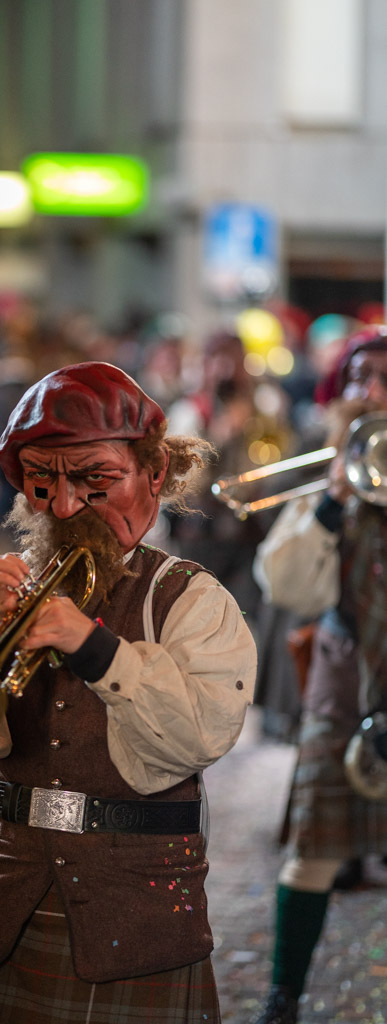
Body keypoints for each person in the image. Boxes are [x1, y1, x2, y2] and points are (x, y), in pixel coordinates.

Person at [0, 361, 257, 1023]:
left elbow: (202, 736)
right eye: (41, 483)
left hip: (135, 910)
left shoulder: (192, 599)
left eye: (94, 481)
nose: (62, 506)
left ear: (154, 474)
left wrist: (95, 650)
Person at [251, 325, 387, 1024]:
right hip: (344, 677)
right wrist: (333, 501)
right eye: (361, 381)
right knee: (313, 849)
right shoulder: (329, 480)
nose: (373, 394)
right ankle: (283, 996)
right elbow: (284, 586)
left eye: (385, 381)